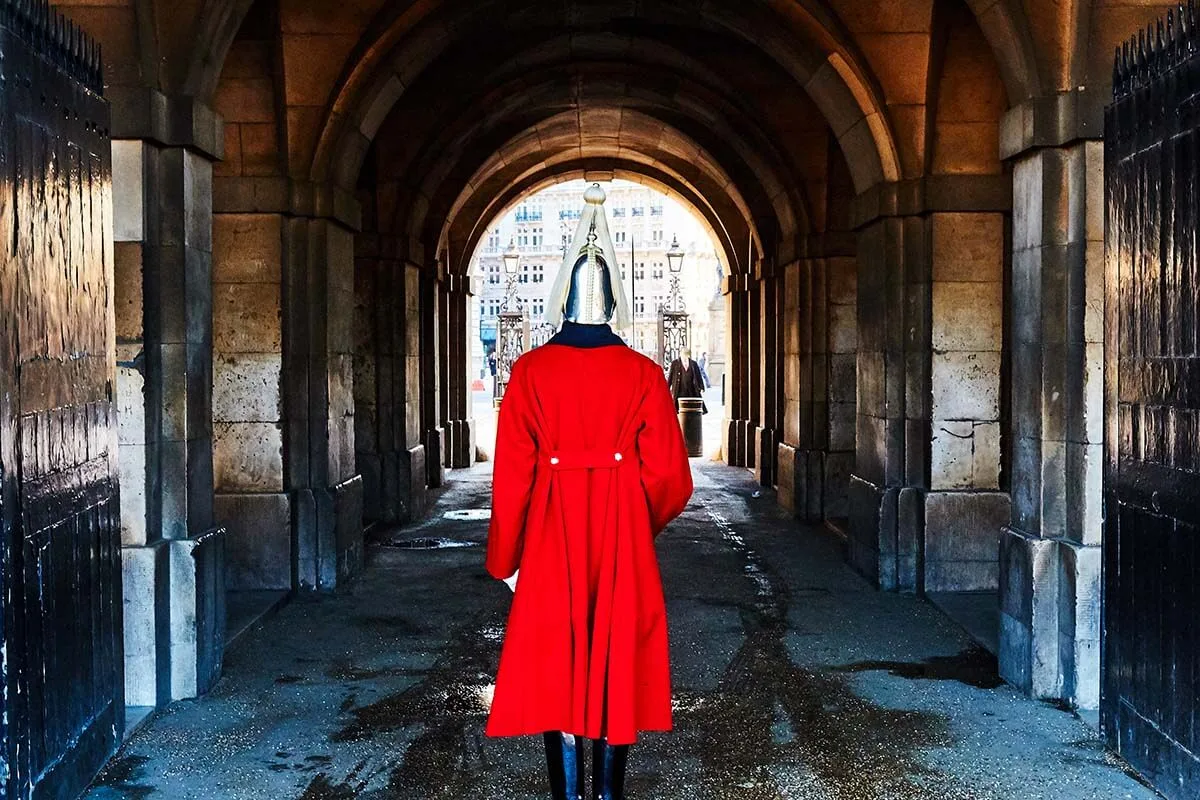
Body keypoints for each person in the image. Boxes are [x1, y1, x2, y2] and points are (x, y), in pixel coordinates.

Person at [485, 185, 693, 800]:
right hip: (620, 534)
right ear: (613, 302)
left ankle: (566, 794)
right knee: (616, 664)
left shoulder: (528, 372)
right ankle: (610, 794)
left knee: (556, 665)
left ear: (563, 297)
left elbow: (511, 480)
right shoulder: (643, 374)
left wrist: (506, 558)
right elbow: (672, 479)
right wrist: (632, 517)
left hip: (550, 536)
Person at [668, 348, 708, 413]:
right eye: (683, 355)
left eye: (686, 355)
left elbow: (698, 375)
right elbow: (670, 377)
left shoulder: (693, 364)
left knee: (691, 407)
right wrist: (667, 388)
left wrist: (701, 386)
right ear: (680, 354)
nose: (685, 357)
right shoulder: (675, 363)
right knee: (677, 408)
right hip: (679, 390)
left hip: (691, 390)